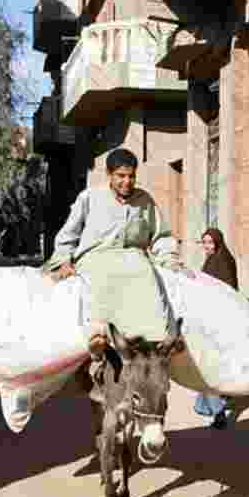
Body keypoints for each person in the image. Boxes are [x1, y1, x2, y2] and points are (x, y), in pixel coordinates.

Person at [43, 148, 190, 395]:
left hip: (134, 258)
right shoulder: (89, 198)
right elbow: (68, 234)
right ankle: (97, 337)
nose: (127, 181)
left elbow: (161, 236)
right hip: (95, 257)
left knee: (148, 275)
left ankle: (155, 343)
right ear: (109, 175)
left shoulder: (145, 200)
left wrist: (169, 259)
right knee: (100, 278)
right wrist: (63, 260)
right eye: (121, 176)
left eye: (131, 176)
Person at [193, 228, 237, 429]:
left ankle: (218, 411)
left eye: (210, 243)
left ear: (218, 242)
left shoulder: (224, 262)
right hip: (208, 319)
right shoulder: (211, 260)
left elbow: (226, 293)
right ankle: (212, 405)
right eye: (204, 243)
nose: (207, 247)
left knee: (207, 365)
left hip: (218, 322)